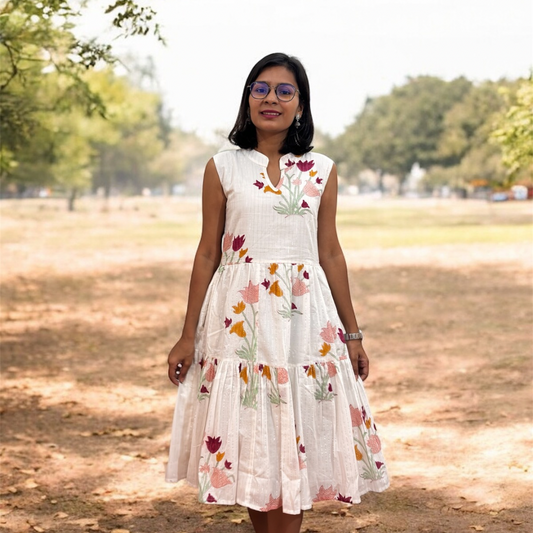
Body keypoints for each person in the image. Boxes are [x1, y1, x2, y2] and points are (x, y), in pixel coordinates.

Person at [166, 52, 389, 533]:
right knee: (255, 437)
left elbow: (329, 253)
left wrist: (353, 334)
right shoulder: (222, 167)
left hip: (305, 323)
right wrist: (188, 336)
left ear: (301, 106)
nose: (272, 98)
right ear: (247, 100)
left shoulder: (321, 170)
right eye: (261, 88)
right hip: (240, 321)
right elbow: (208, 252)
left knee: (295, 435)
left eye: (285, 90)